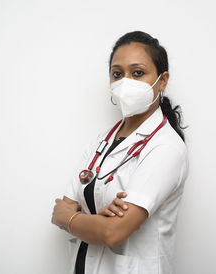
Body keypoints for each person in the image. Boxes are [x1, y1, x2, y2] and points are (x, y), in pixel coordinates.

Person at [51, 30, 189, 274]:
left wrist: (71, 219)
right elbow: (64, 205)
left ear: (162, 80)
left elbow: (112, 232)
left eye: (137, 73)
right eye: (117, 74)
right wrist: (92, 220)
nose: (126, 82)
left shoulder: (166, 148)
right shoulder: (101, 141)